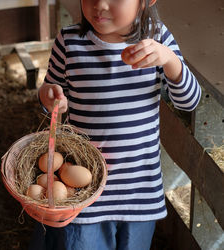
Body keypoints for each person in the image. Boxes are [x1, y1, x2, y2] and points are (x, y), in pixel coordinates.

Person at [30, 0, 202, 249]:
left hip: (138, 191)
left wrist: (171, 61)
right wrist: (49, 95)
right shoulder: (69, 42)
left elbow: (190, 102)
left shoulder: (157, 38)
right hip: (84, 193)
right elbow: (49, 90)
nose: (99, 5)